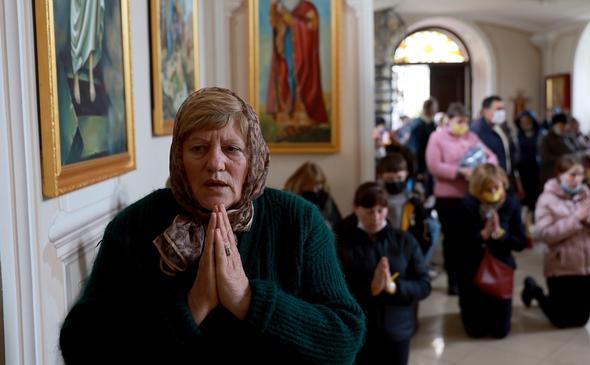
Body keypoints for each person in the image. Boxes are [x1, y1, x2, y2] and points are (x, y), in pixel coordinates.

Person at [59, 87, 365, 364]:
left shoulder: (298, 222)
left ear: (252, 158)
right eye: (198, 149)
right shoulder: (135, 227)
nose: (215, 163)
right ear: (179, 159)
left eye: (232, 149)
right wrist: (191, 308)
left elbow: (344, 340)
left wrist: (248, 300)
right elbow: (81, 345)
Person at [336, 182, 431, 365]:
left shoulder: (405, 241)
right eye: (369, 211)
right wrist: (370, 289)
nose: (376, 218)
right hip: (359, 331)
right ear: (356, 209)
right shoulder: (342, 243)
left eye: (380, 211)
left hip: (398, 331)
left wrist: (394, 287)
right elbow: (335, 290)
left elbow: (424, 285)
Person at [523, 155, 590, 328]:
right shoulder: (546, 200)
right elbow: (546, 234)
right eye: (571, 175)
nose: (576, 179)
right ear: (559, 175)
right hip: (562, 266)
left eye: (579, 174)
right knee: (561, 321)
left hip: (589, 267)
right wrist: (575, 220)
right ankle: (534, 290)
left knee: (580, 321)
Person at [425, 102, 498, 295]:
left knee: (471, 238)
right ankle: (453, 279)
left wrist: (480, 170)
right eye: (459, 121)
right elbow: (434, 166)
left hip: (471, 197)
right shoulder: (437, 138)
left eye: (466, 121)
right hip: (448, 198)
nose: (463, 125)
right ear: (449, 120)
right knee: (452, 240)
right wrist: (459, 172)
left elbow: (492, 157)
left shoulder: (472, 137)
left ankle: (471, 275)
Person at [455, 163, 527, 338]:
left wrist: (501, 235)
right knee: (475, 332)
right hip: (472, 270)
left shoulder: (511, 204)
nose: (493, 192)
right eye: (488, 189)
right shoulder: (466, 206)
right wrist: (482, 235)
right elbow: (456, 244)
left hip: (500, 268)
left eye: (497, 187)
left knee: (500, 332)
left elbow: (521, 242)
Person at [266, 0, 327, 126]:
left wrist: (290, 19)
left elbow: (310, 27)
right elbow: (277, 24)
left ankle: (300, 111)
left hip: (302, 55)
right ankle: (287, 109)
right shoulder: (291, 8)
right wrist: (277, 13)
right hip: (288, 50)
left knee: (297, 76)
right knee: (287, 75)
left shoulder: (308, 8)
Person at [376, 153, 441, 266]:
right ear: (381, 176)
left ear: (406, 174)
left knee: (434, 226)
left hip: (410, 240)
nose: (395, 182)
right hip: (384, 243)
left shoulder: (414, 193)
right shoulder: (376, 194)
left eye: (399, 178)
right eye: (390, 179)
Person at [471, 95, 519, 193]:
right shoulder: (477, 129)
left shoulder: (502, 126)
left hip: (507, 176)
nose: (501, 113)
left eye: (503, 109)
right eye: (498, 109)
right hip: (490, 181)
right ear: (485, 111)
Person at [284, 161, 342, 229]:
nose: (315, 190)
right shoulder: (288, 198)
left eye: (318, 185)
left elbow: (337, 224)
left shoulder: (325, 197)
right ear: (300, 183)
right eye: (311, 186)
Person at [407, 97, 439, 194]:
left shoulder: (432, 124)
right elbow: (414, 147)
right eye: (433, 108)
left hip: (429, 159)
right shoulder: (418, 125)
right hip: (420, 161)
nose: (434, 111)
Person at [514, 110, 542, 210]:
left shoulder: (541, 135)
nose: (525, 124)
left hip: (538, 173)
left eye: (527, 121)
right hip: (523, 174)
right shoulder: (517, 137)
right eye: (523, 122)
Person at [538, 113, 575, 185]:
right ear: (555, 125)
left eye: (563, 126)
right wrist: (561, 159)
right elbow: (544, 155)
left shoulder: (567, 137)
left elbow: (573, 150)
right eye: (560, 125)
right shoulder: (545, 138)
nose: (562, 128)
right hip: (549, 172)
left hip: (565, 172)